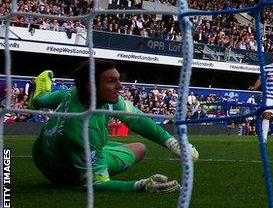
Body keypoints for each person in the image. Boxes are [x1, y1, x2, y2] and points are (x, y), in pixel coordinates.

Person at [29, 60, 199, 192]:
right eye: (112, 81)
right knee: (139, 149)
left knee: (42, 100)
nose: (120, 86)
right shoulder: (84, 131)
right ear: (91, 86)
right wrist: (140, 185)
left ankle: (37, 97)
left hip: (42, 150)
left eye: (118, 80)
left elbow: (137, 119)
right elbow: (95, 183)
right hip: (61, 172)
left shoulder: (76, 93)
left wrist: (171, 143)